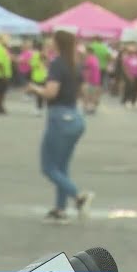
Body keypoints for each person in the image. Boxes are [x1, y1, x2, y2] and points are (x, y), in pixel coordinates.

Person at [25, 30, 94, 224]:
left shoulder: (57, 64)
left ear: (57, 43)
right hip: (75, 118)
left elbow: (50, 93)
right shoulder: (75, 64)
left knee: (48, 167)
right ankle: (60, 208)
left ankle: (79, 197)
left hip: (59, 118)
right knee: (61, 167)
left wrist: (34, 88)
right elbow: (82, 91)